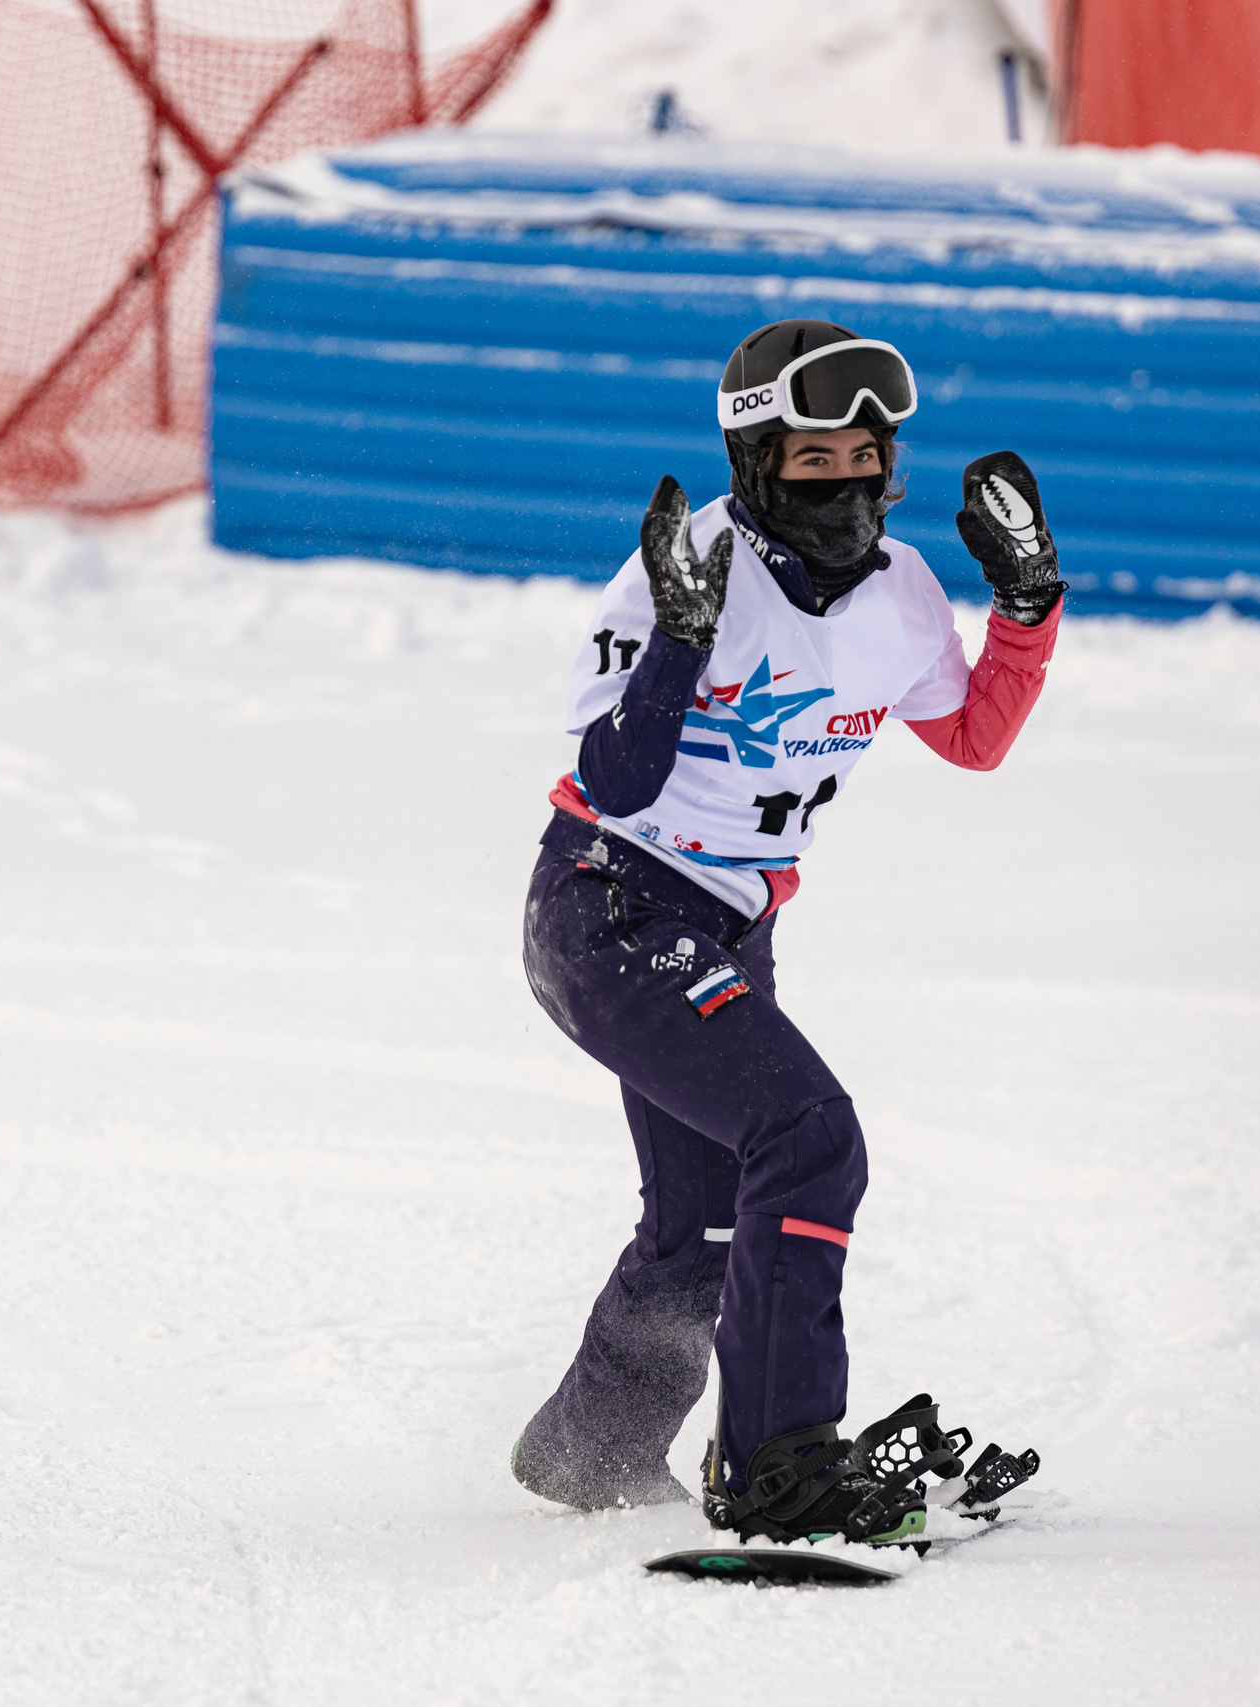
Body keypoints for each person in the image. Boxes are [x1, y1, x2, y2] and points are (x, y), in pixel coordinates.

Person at [510, 318, 1063, 1546]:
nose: (847, 485)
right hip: (609, 902)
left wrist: (1024, 608)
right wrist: (679, 642)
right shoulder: (683, 572)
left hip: (732, 922)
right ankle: (778, 1464)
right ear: (756, 461)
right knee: (808, 1141)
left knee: (710, 1220)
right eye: (815, 461)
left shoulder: (903, 590)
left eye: (868, 459)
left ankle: (591, 1449)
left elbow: (971, 738)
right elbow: (614, 781)